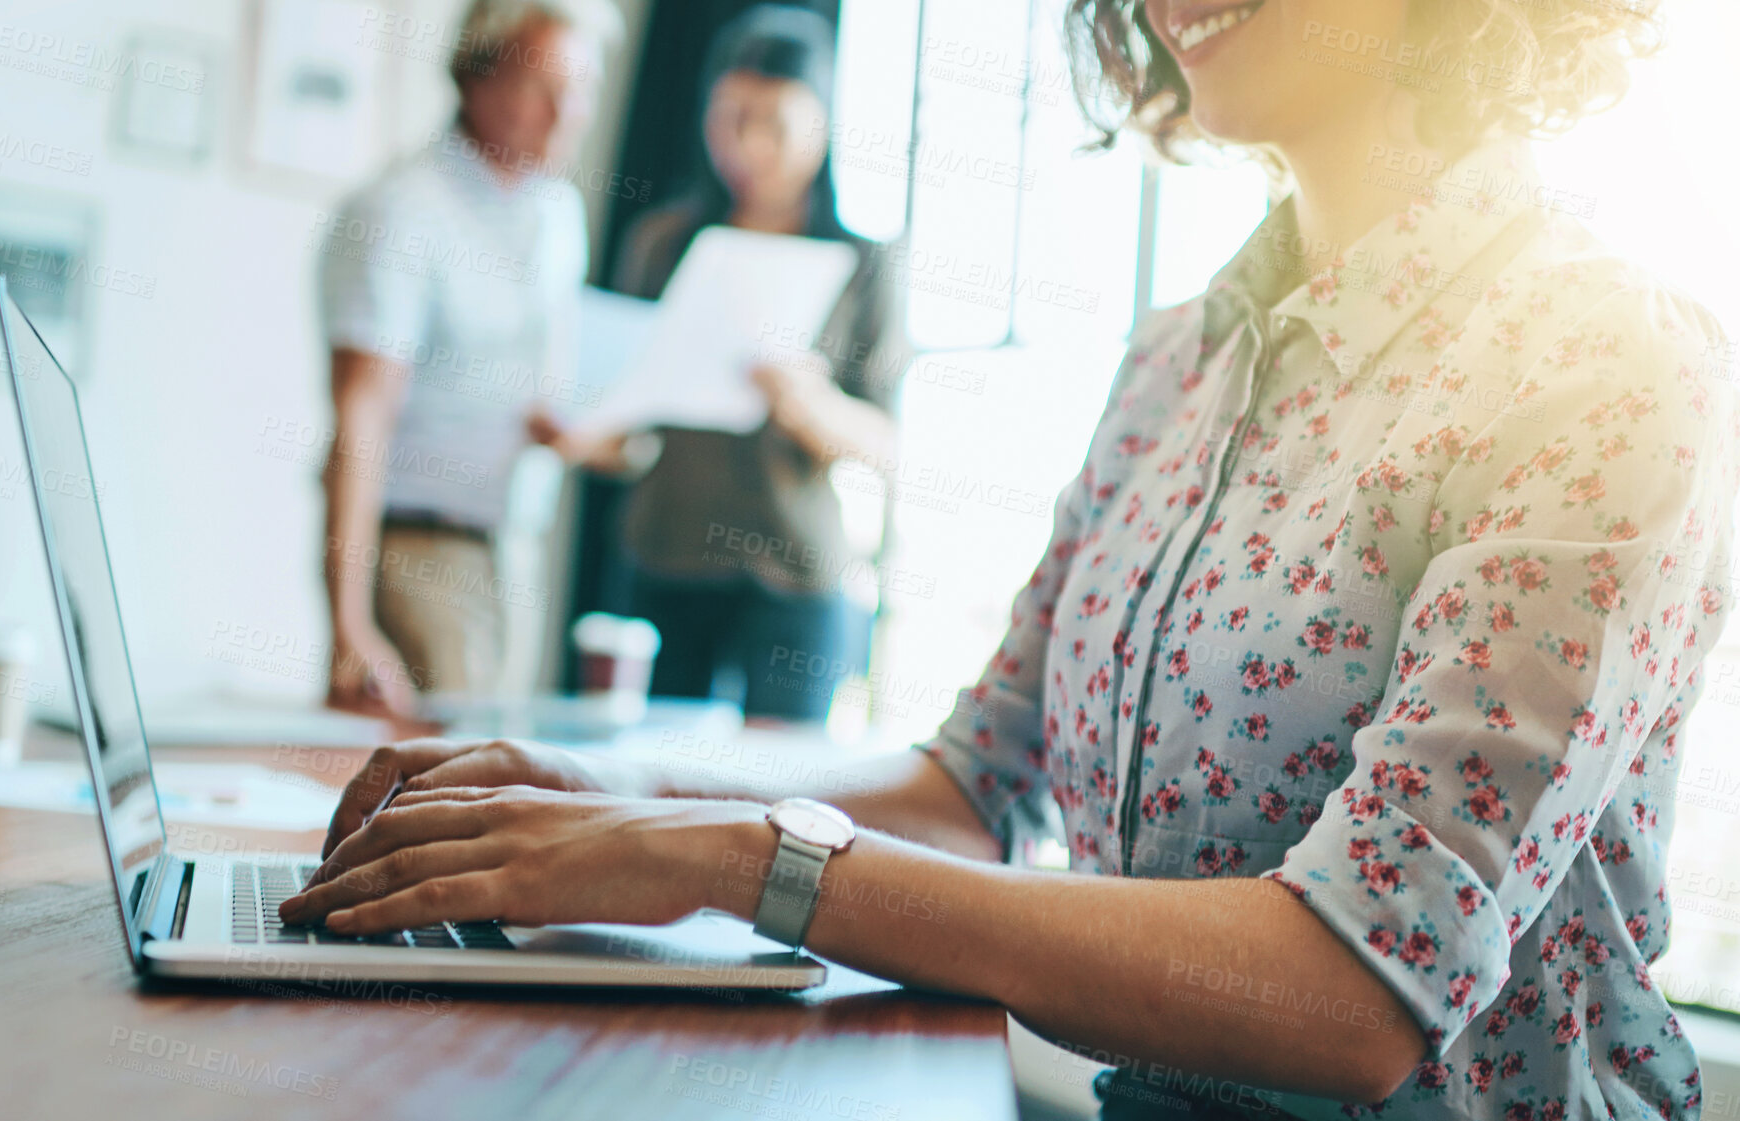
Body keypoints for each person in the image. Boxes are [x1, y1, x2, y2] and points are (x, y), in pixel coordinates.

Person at [283, 1, 1736, 1117]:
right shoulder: (1175, 357)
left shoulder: (1600, 360)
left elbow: (1355, 992)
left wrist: (736, 856)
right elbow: (970, 786)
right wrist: (608, 793)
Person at [561, 4, 909, 722]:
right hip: (665, 557)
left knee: (775, 797)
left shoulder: (863, 261)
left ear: (820, 124)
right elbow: (623, 421)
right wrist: (586, 434)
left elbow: (885, 440)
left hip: (794, 574)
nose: (748, 146)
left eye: (774, 124)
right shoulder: (660, 243)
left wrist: (807, 402)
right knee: (651, 791)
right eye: (729, 119)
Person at [317, 0, 621, 717]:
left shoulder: (557, 214)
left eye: (580, 89)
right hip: (418, 548)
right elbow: (361, 418)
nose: (567, 113)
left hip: (514, 548)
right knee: (432, 793)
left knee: (496, 779)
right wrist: (349, 622)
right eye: (543, 89)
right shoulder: (401, 211)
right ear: (476, 78)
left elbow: (551, 385)